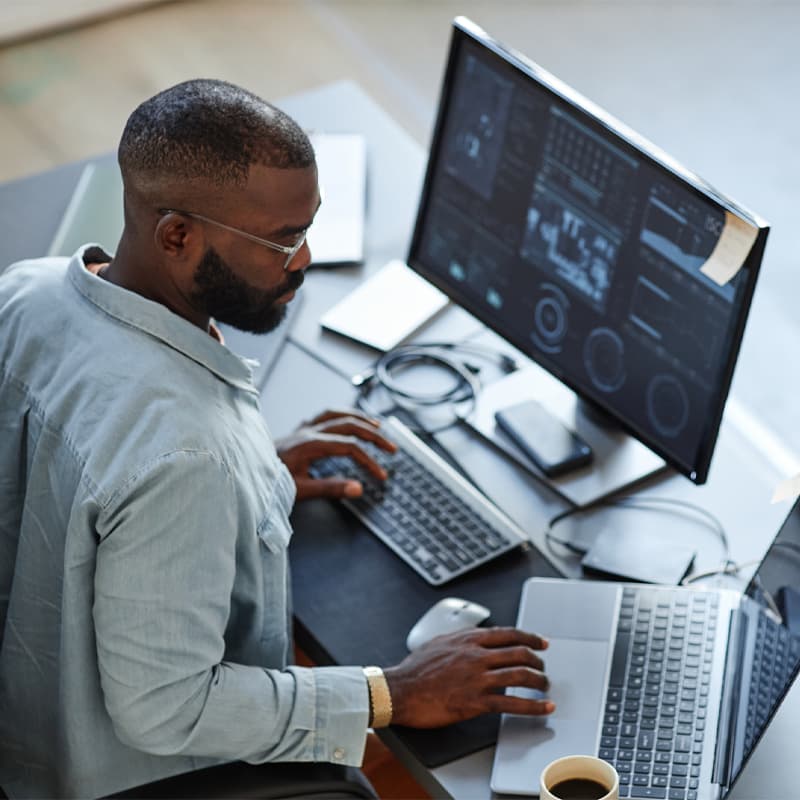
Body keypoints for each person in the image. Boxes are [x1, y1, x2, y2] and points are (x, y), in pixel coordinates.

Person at [0, 78, 554, 799]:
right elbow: (167, 709)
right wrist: (392, 692)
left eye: (309, 227)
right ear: (177, 235)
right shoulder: (188, 456)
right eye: (282, 241)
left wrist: (257, 475)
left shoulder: (26, 291)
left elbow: (78, 479)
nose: (305, 260)